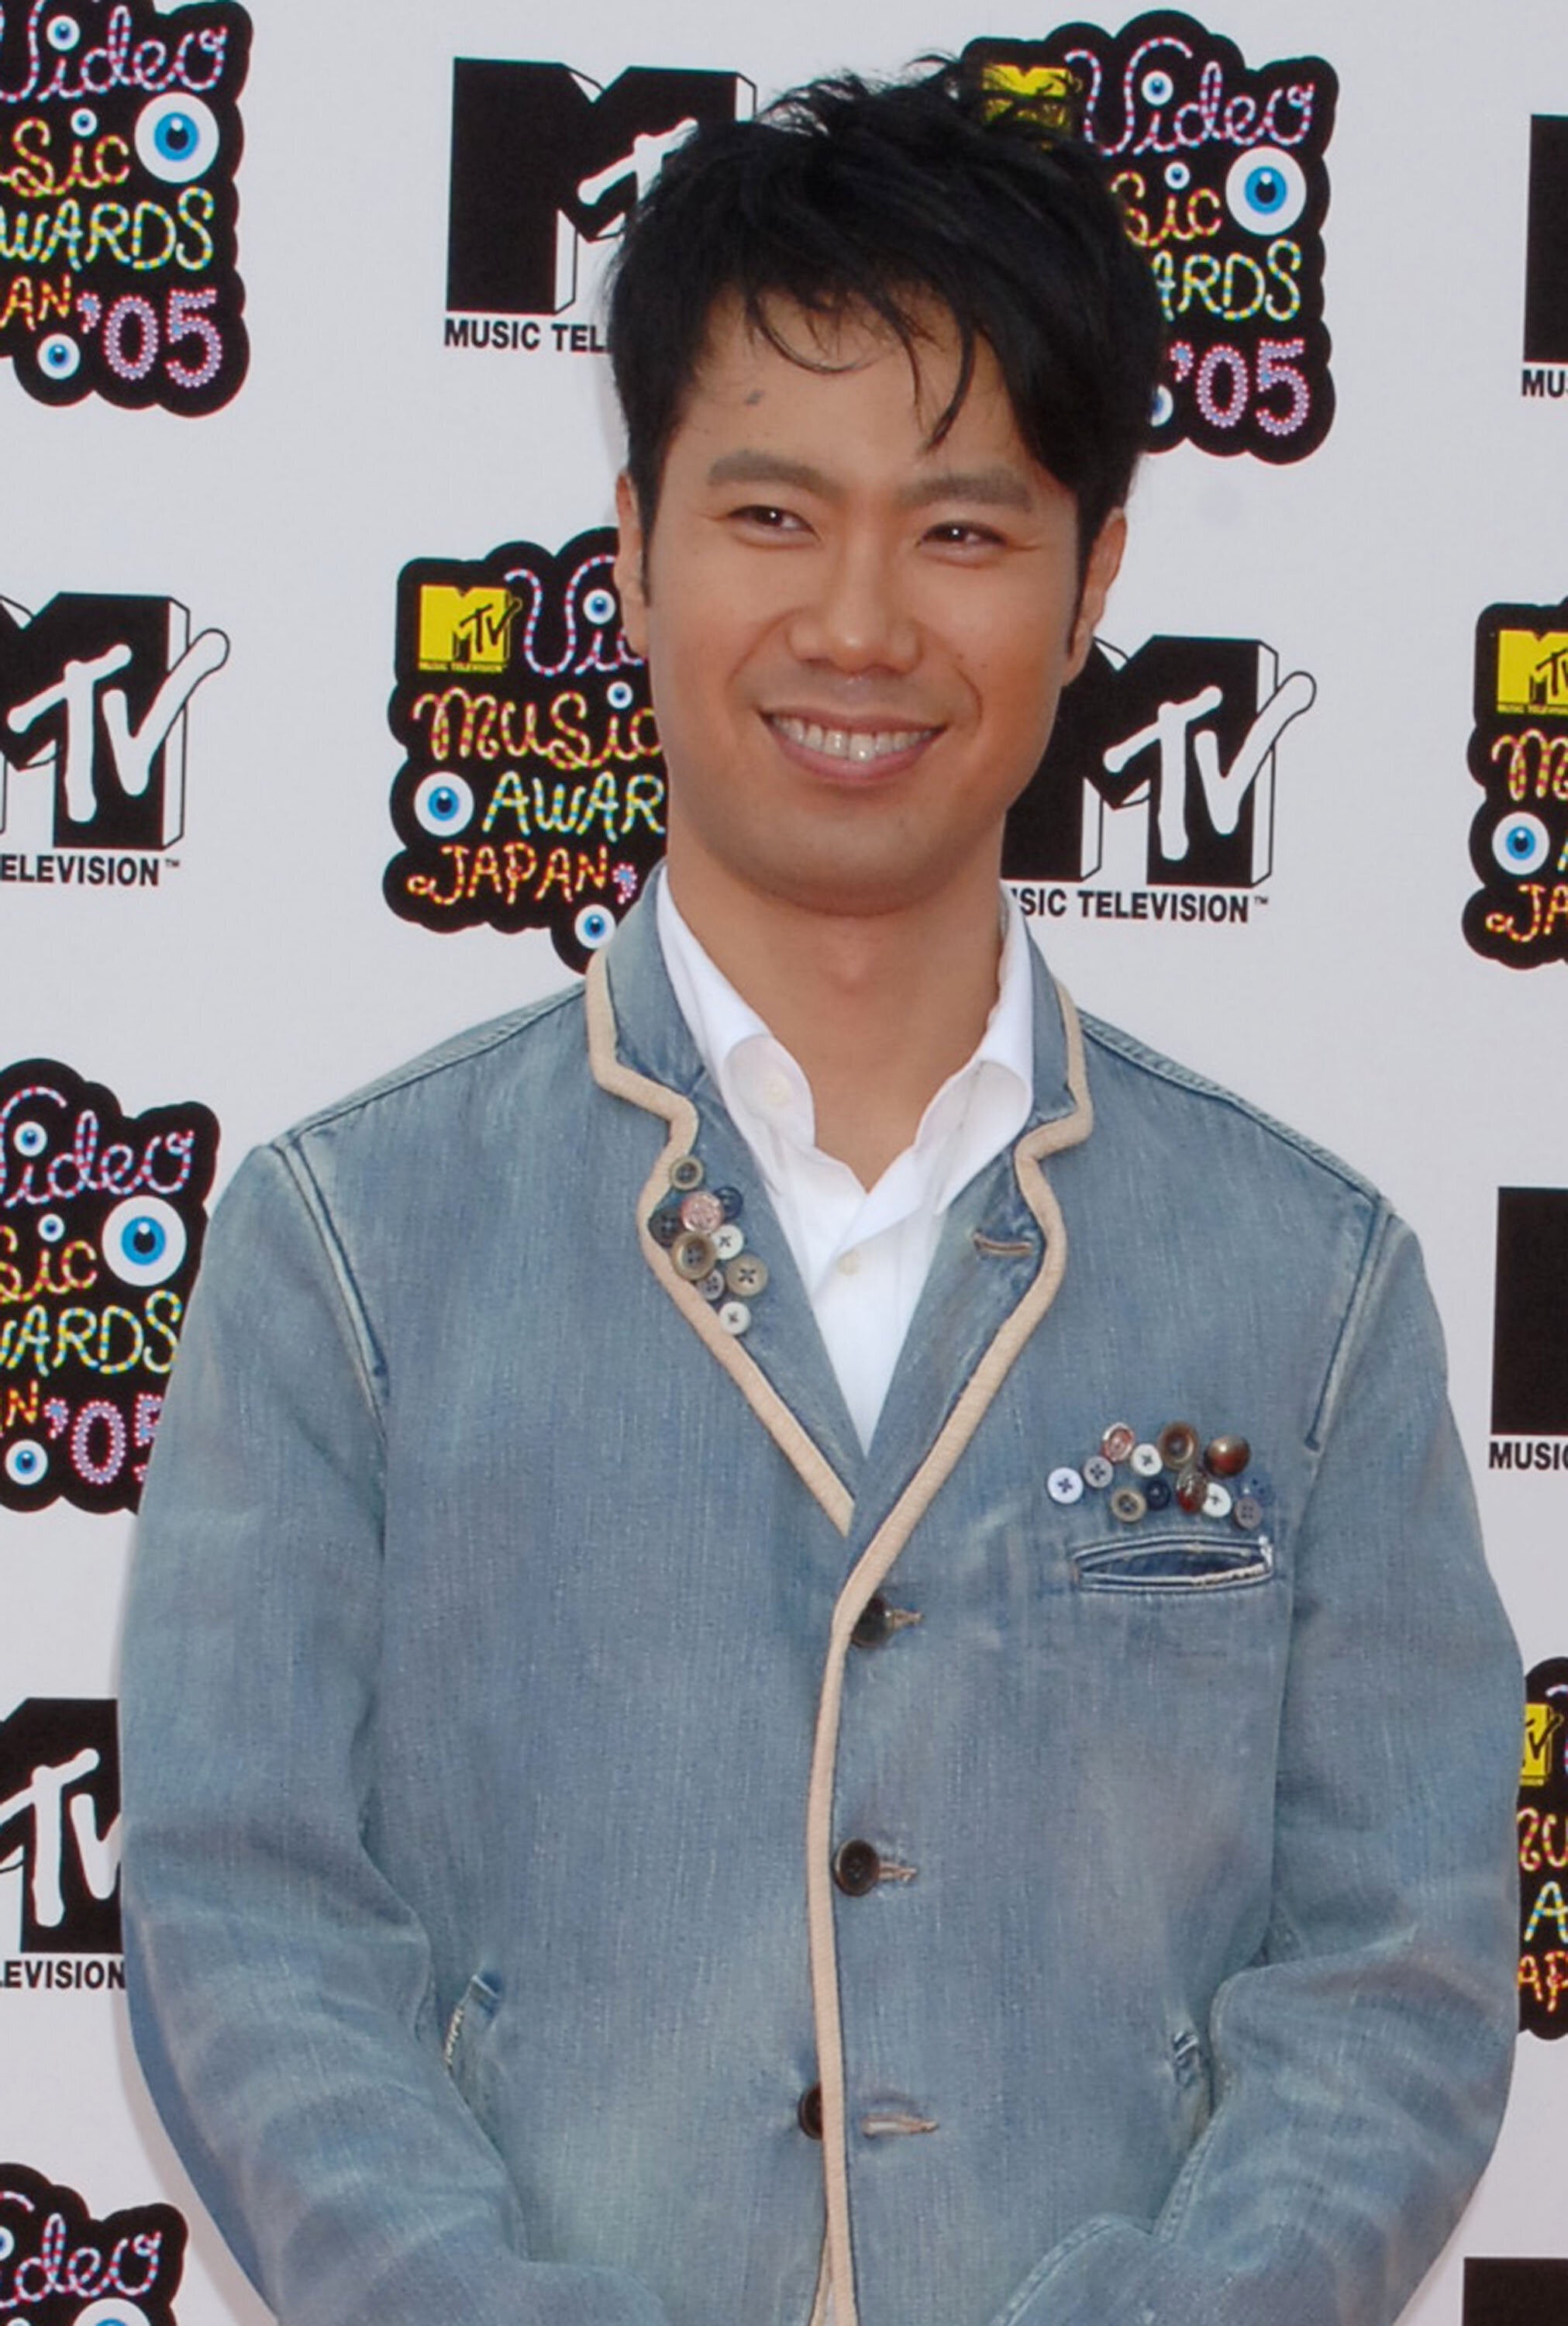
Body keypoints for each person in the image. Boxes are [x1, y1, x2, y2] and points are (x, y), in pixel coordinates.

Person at [120, 61, 1521, 2326]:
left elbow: (1398, 1968)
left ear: (1096, 583)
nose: (860, 625)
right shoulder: (350, 1254)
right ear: (633, 545)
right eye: (773, 515)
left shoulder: (1313, 1284)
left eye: (963, 532)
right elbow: (241, 1920)